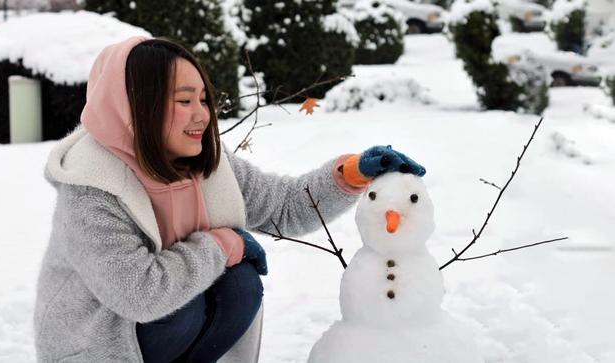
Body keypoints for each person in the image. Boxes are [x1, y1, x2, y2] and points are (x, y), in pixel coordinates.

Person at [33, 36, 425, 363]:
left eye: (203, 99)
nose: (202, 115)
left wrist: (352, 173)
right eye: (184, 101)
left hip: (163, 333)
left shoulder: (206, 164)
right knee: (185, 304)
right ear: (137, 105)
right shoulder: (91, 189)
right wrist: (223, 244)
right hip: (100, 345)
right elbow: (142, 294)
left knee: (240, 283)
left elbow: (284, 207)